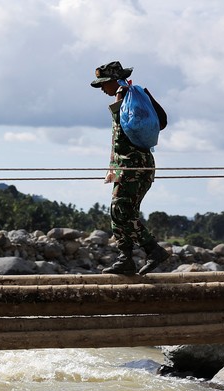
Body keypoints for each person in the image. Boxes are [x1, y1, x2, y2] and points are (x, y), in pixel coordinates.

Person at [91, 61, 169, 276]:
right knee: (121, 212)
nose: (102, 90)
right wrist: (112, 167)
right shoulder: (134, 95)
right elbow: (161, 122)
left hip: (133, 166)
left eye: (103, 84)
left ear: (113, 80)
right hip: (130, 165)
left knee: (121, 210)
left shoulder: (129, 95)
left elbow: (157, 123)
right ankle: (125, 257)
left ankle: (152, 250)